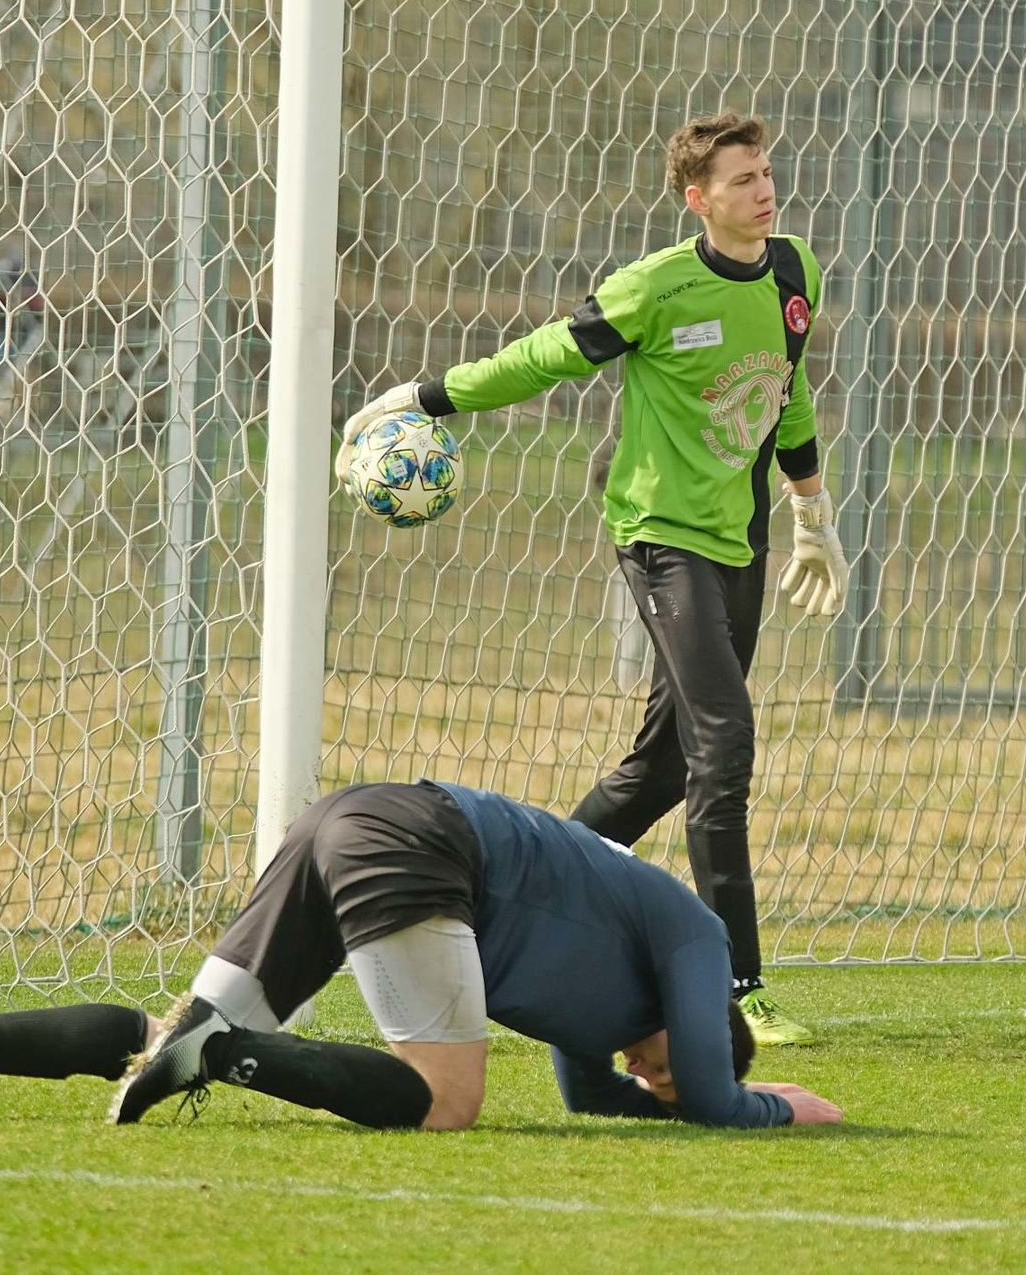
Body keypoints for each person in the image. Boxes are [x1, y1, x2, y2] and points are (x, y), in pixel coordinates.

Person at [335, 114, 849, 1046]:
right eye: (742, 181)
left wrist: (813, 512)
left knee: (657, 768)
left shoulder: (792, 271)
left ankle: (508, 899)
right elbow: (544, 356)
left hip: (741, 537)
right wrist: (428, 396)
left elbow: (791, 389)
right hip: (660, 536)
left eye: (767, 172)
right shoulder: (653, 288)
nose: (764, 191)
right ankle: (739, 983)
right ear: (698, 200)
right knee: (723, 746)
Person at [0, 781, 842, 1131]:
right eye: (661, 1059)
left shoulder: (608, 1025)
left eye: (647, 1079)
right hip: (424, 843)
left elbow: (595, 1096)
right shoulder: (697, 940)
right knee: (445, 1098)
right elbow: (714, 1093)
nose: (640, 1069)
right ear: (708, 1022)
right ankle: (223, 1054)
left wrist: (653, 1093)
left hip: (346, 821)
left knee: (163, 1031)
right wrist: (786, 1103)